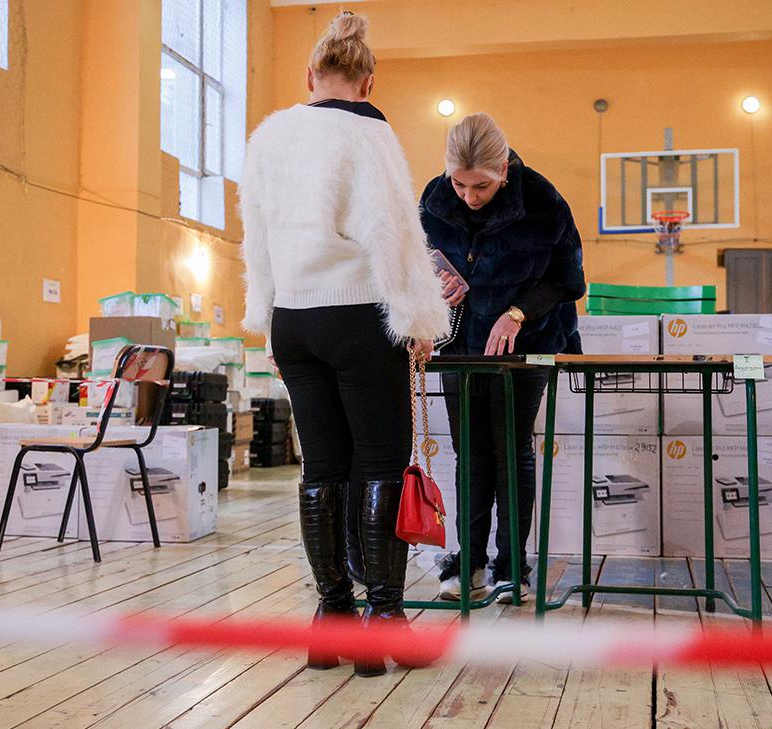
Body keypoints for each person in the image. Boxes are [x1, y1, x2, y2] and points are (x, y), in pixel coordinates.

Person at [238, 11, 449, 676]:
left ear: (310, 75)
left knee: (321, 468)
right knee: (382, 461)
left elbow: (257, 233)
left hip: (294, 319)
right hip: (357, 314)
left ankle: (330, 617)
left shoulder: (271, 135)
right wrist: (420, 317)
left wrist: (268, 316)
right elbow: (393, 232)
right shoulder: (369, 130)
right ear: (368, 81)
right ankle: (384, 617)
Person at [420, 113, 586, 603]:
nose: (470, 196)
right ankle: (468, 562)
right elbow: (412, 267)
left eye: (482, 186)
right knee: (469, 452)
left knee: (510, 451)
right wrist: (433, 293)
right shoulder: (432, 200)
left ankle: (512, 568)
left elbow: (568, 280)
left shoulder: (543, 201)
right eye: (460, 184)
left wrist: (517, 313)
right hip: (459, 345)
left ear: (505, 172)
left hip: (527, 344)